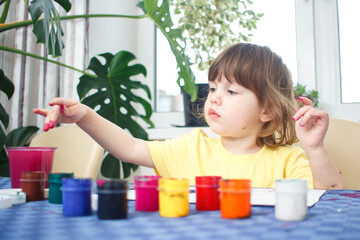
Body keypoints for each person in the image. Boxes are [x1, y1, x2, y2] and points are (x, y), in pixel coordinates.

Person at [33, 43, 344, 189]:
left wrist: (315, 147)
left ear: (268, 110)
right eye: (212, 88)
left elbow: (330, 200)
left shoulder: (289, 161)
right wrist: (85, 115)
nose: (215, 97)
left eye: (232, 91)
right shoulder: (190, 146)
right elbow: (128, 148)